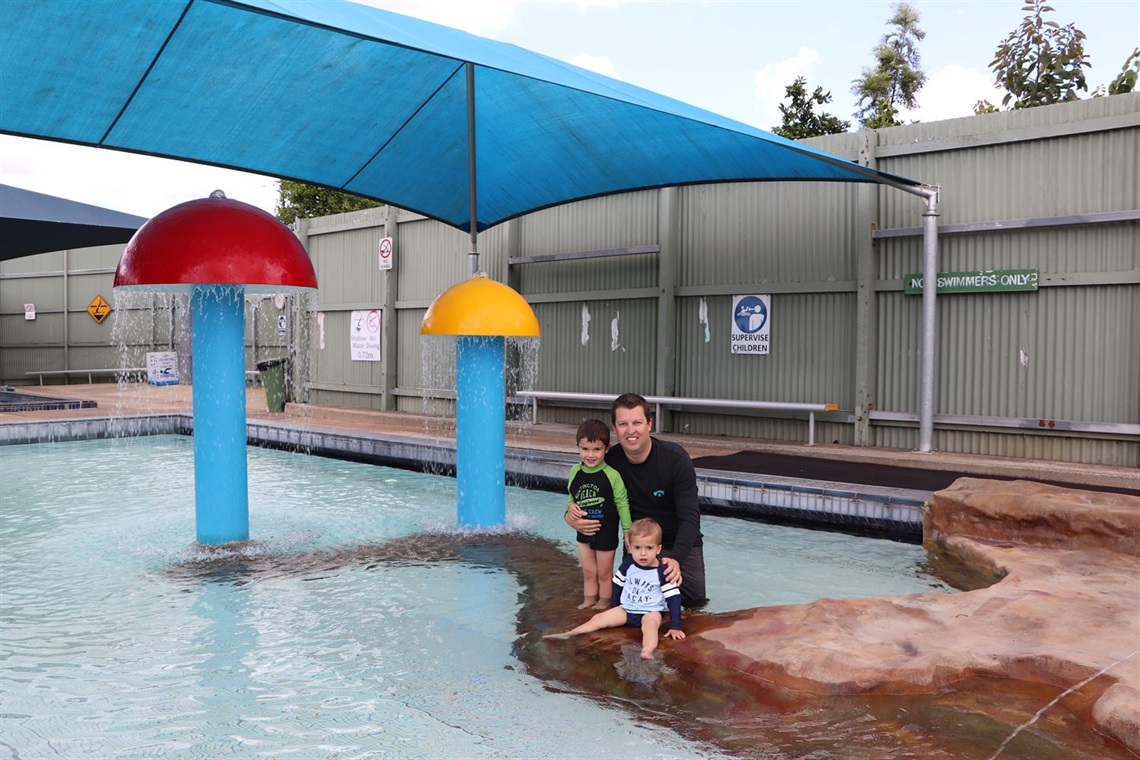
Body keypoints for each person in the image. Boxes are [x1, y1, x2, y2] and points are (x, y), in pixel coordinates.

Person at [565, 392, 708, 609]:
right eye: (623, 424)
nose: (630, 431)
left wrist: (676, 558)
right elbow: (579, 493)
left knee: (695, 605)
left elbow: (690, 518)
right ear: (615, 429)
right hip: (638, 545)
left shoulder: (675, 460)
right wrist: (570, 516)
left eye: (637, 422)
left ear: (649, 424)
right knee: (630, 607)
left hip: (678, 543)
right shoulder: (608, 462)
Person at [544, 518, 685, 659]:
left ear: (658, 549)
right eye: (637, 548)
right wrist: (614, 607)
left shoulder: (662, 571)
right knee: (598, 618)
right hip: (626, 610)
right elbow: (617, 585)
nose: (643, 553)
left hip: (650, 611)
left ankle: (647, 650)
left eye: (649, 548)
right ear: (629, 547)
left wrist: (675, 626)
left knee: (651, 626)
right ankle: (569, 634)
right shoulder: (628, 564)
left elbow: (673, 598)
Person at [566, 418, 632, 611]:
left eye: (596, 449)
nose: (590, 455)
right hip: (584, 532)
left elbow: (622, 504)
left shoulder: (612, 475)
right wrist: (571, 506)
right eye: (585, 449)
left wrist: (627, 530)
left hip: (606, 532)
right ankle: (589, 600)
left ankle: (604, 602)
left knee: (604, 573)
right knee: (588, 572)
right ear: (578, 447)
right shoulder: (575, 471)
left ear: (606, 449)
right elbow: (572, 496)